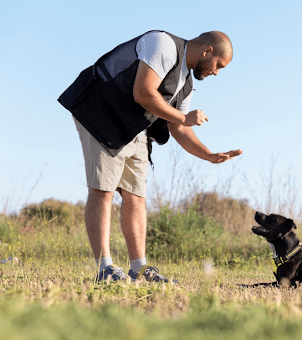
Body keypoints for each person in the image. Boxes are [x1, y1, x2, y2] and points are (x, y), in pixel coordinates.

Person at [58, 30, 242, 282]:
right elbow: (143, 92)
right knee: (103, 190)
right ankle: (105, 268)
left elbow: (179, 127)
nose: (216, 72)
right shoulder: (163, 45)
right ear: (207, 51)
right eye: (218, 65)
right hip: (101, 112)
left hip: (134, 126)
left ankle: (139, 269)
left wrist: (208, 155)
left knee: (136, 196)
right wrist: (181, 117)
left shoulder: (187, 84)